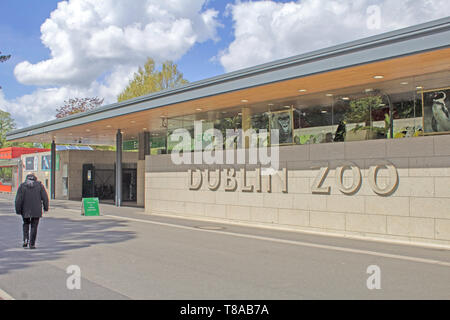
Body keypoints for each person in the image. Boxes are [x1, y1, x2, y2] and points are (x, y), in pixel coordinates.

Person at [15, 174, 49, 249]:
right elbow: (45, 198)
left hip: (25, 210)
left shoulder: (22, 186)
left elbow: (18, 199)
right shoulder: (40, 186)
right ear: (35, 179)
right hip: (36, 210)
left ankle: (25, 239)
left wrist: (18, 210)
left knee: (26, 224)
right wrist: (46, 208)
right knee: (34, 226)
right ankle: (32, 243)